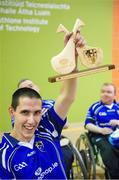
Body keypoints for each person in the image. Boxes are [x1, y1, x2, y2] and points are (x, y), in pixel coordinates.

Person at [0, 32, 85, 179]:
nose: (32, 120)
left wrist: (71, 55)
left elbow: (67, 96)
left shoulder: (47, 126)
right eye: (25, 112)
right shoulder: (4, 155)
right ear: (12, 112)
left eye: (37, 112)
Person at [85, 82, 119, 179]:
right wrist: (101, 130)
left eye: (109, 92)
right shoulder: (95, 107)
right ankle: (115, 176)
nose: (105, 94)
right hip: (100, 136)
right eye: (103, 91)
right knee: (108, 150)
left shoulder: (118, 107)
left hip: (116, 135)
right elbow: (88, 124)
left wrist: (117, 122)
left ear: (114, 95)